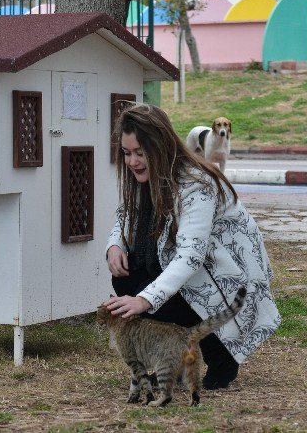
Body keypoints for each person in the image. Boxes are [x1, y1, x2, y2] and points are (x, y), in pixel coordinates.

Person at [104, 103, 280, 390]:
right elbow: (125, 215)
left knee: (158, 289)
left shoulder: (196, 183)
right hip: (194, 271)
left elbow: (191, 256)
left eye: (140, 152)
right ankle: (176, 357)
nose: (132, 161)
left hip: (225, 279)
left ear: (160, 146)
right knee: (127, 275)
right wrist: (114, 245)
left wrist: (145, 300)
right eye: (126, 153)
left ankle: (221, 355)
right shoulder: (147, 177)